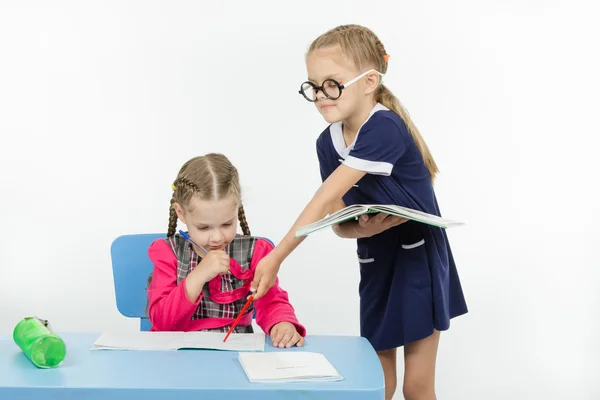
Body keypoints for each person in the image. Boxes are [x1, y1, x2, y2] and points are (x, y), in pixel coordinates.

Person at [250, 24, 468, 399]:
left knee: (416, 388)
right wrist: (362, 231)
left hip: (418, 262)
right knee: (377, 383)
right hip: (376, 261)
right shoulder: (327, 142)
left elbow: (321, 199)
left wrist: (275, 259)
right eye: (314, 86)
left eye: (332, 84)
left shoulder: (385, 127)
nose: (321, 96)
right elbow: (336, 219)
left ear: (368, 81)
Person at [146, 153, 305, 348]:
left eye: (227, 224)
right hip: (178, 355)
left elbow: (272, 302)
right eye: (204, 228)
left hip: (236, 352)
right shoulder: (167, 252)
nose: (217, 238)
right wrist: (199, 275)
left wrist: (281, 323)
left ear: (237, 208)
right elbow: (163, 324)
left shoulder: (255, 252)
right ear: (181, 213)